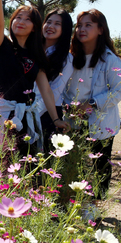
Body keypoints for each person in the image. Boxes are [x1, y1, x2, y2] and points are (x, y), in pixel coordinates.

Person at [0, 0, 69, 150]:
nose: (21, 22)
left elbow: (46, 89)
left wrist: (56, 119)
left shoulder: (36, 55)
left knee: (27, 162)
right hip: (4, 115)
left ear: (35, 27)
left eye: (27, 19)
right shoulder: (2, 46)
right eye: (18, 17)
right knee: (4, 161)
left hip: (27, 116)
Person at [62, 9, 121, 198]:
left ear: (100, 29)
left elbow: (119, 90)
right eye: (79, 25)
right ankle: (79, 205)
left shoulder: (110, 59)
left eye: (88, 25)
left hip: (101, 123)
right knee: (75, 164)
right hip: (73, 120)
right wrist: (68, 107)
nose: (82, 29)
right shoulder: (70, 58)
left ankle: (98, 207)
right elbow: (62, 87)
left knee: (100, 167)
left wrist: (91, 104)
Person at [31, 9, 74, 151]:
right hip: (25, 110)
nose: (50, 26)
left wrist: (32, 116)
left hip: (48, 114)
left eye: (57, 24)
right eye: (48, 22)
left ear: (65, 29)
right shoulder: (32, 49)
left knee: (42, 161)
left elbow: (54, 91)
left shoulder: (66, 59)